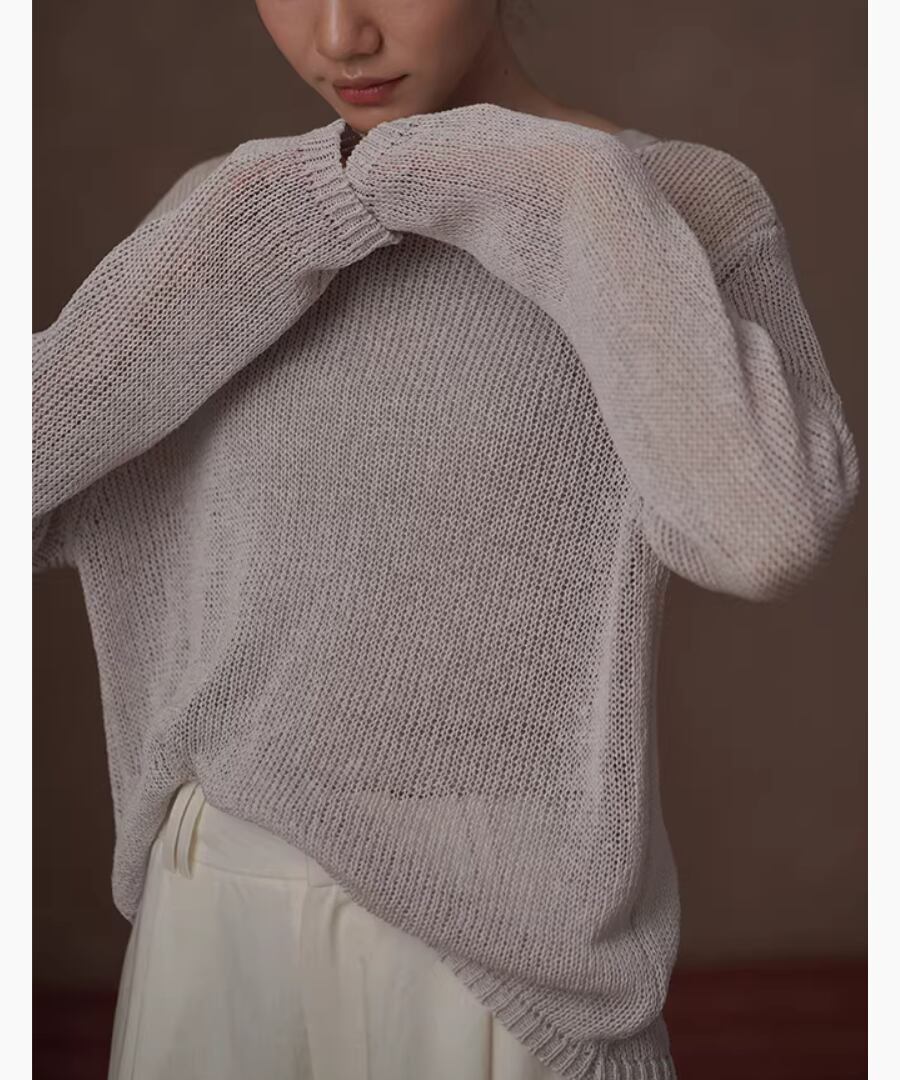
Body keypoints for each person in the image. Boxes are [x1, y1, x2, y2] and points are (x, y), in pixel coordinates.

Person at [33, 1, 860, 1078]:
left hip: (505, 964)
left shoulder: (673, 200)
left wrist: (569, 189)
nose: (341, 36)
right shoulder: (235, 211)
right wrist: (312, 207)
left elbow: (763, 530)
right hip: (216, 917)